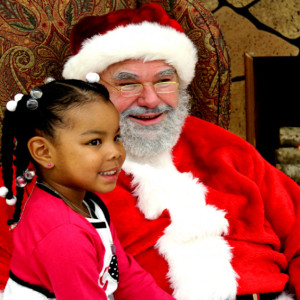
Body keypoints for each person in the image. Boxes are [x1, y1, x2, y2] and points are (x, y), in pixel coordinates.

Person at [61, 3, 300, 300]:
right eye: (128, 84)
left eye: (164, 80)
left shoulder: (221, 145)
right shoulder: (58, 164)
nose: (150, 100)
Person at [0, 76, 175, 300]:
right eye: (94, 142)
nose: (115, 152)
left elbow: (124, 273)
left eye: (116, 137)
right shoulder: (64, 234)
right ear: (44, 152)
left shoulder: (87, 204)